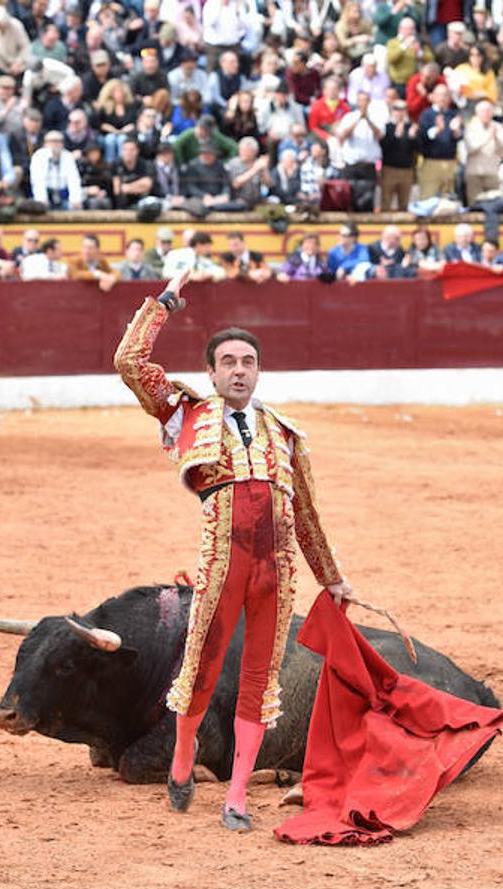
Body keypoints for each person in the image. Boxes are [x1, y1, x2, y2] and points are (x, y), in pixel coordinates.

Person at [114, 270, 352, 832]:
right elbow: (129, 363)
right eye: (228, 362)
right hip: (222, 563)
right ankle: (181, 758)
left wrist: (333, 577)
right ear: (212, 371)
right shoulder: (185, 412)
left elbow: (309, 517)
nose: (239, 370)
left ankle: (238, 796)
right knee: (200, 668)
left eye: (248, 362)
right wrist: (164, 303)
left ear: (259, 370)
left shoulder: (285, 435)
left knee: (258, 680)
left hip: (277, 571)